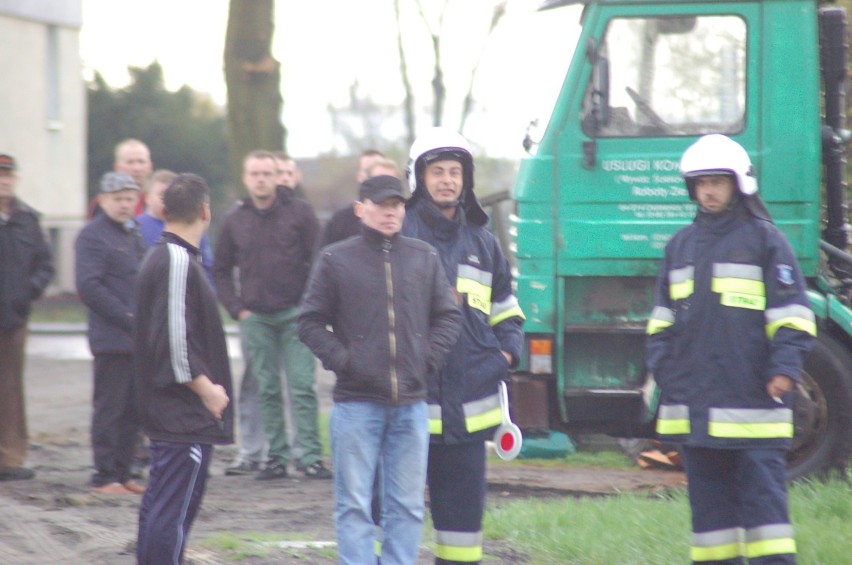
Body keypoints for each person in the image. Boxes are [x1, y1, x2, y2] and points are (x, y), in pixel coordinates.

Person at [645, 134, 816, 565]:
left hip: (755, 403)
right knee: (710, 521)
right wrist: (666, 372)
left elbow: (793, 316)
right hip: (696, 408)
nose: (709, 191)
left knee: (766, 515)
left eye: (718, 182)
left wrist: (784, 369)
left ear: (738, 184)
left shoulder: (766, 241)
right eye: (701, 183)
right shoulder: (679, 246)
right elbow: (660, 323)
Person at [299, 174, 461, 564]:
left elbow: (447, 316)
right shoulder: (336, 259)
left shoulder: (424, 256)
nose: (391, 211)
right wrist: (345, 361)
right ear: (361, 209)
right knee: (353, 505)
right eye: (382, 204)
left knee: (406, 506)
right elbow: (309, 322)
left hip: (411, 405)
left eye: (398, 205)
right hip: (356, 404)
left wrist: (429, 358)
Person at [401, 128, 525, 564]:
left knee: (462, 530)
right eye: (437, 172)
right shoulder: (400, 235)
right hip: (411, 407)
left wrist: (506, 353)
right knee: (396, 519)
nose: (447, 180)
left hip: (471, 407)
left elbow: (507, 311)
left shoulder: (483, 241)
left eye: (455, 172)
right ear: (419, 177)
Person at [134, 173, 233, 565]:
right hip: (181, 415)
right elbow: (174, 342)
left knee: (161, 507)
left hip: (172, 414)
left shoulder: (168, 255)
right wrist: (207, 389)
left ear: (161, 210)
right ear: (206, 212)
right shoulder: (176, 259)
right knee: (171, 514)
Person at [213, 150, 330, 480]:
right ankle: (275, 458)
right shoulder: (235, 219)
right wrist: (238, 309)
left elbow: (320, 262)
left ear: (278, 176)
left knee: (303, 386)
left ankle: (310, 457)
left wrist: (310, 305)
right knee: (267, 389)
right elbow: (220, 269)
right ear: (246, 178)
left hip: (296, 315)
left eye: (267, 173)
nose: (262, 179)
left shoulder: (300, 213)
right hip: (257, 318)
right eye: (255, 174)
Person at [75, 171, 147, 495]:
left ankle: (124, 471)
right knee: (110, 409)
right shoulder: (92, 236)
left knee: (134, 409)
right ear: (103, 200)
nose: (124, 204)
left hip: (137, 340)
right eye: (117, 199)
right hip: (110, 339)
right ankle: (104, 476)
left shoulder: (134, 235)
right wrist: (126, 317)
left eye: (129, 198)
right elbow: (89, 286)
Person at [0, 154, 54, 481]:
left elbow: (46, 266)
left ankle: (12, 457)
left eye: (8, 175)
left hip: (16, 318)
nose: (4, 181)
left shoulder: (28, 221)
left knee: (11, 388)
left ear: (16, 180)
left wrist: (26, 293)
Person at [136, 169, 215, 285]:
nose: (166, 200)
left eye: (172, 195)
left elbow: (207, 269)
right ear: (147, 197)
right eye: (162, 195)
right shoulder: (136, 228)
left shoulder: (195, 229)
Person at [317, 149, 388, 249]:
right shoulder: (340, 221)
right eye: (369, 170)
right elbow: (322, 258)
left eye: (379, 170)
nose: (375, 176)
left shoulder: (403, 217)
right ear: (359, 176)